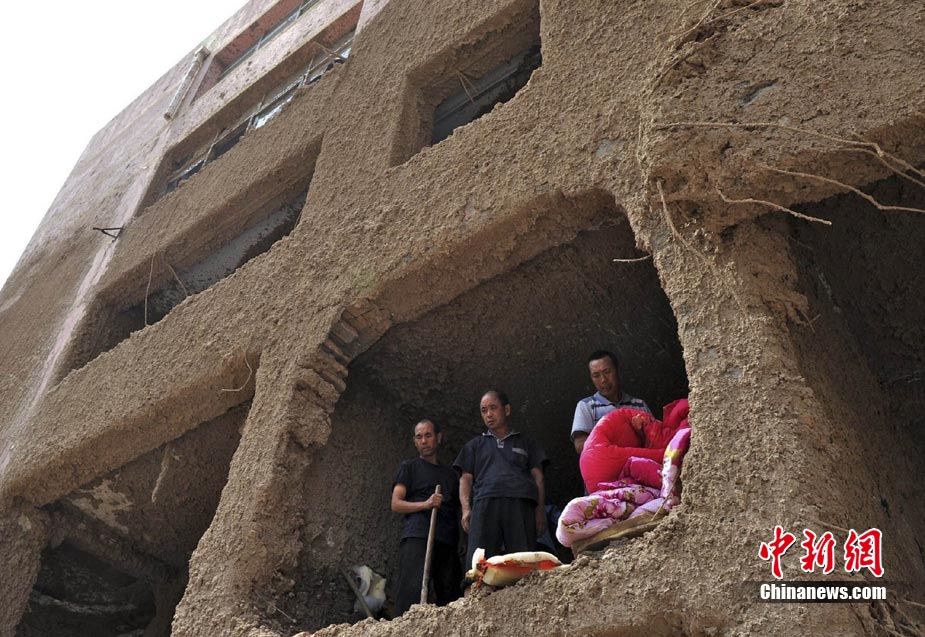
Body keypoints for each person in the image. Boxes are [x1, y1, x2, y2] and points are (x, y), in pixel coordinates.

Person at [455, 390, 548, 570]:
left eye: (493, 408)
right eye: (484, 410)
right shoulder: (474, 445)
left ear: (506, 410)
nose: (488, 414)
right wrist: (466, 509)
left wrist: (540, 511)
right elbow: (465, 479)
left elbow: (539, 478)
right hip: (484, 504)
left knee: (523, 561)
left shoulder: (526, 442)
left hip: (520, 504)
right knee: (478, 564)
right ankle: (477, 588)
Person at [391, 419, 462, 616]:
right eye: (419, 437)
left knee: (450, 592)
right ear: (415, 442)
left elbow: (458, 509)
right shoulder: (409, 467)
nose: (424, 441)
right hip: (418, 535)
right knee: (411, 591)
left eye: (428, 435)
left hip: (446, 539)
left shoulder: (450, 475)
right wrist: (426, 504)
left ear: (439, 438)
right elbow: (396, 503)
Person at [571, 350, 653, 455]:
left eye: (607, 372)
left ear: (618, 371)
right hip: (605, 463)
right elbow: (579, 444)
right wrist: (613, 446)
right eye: (596, 375)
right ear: (591, 378)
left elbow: (655, 437)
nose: (603, 380)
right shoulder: (586, 406)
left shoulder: (639, 405)